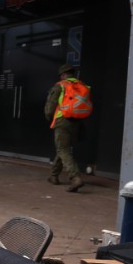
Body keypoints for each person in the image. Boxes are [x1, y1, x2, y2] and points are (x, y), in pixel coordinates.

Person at [46, 64, 89, 192]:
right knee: (63, 148)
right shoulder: (82, 85)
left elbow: (51, 105)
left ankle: (75, 177)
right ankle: (54, 176)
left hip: (62, 121)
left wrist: (49, 117)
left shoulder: (61, 85)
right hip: (76, 122)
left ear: (63, 75)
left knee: (63, 150)